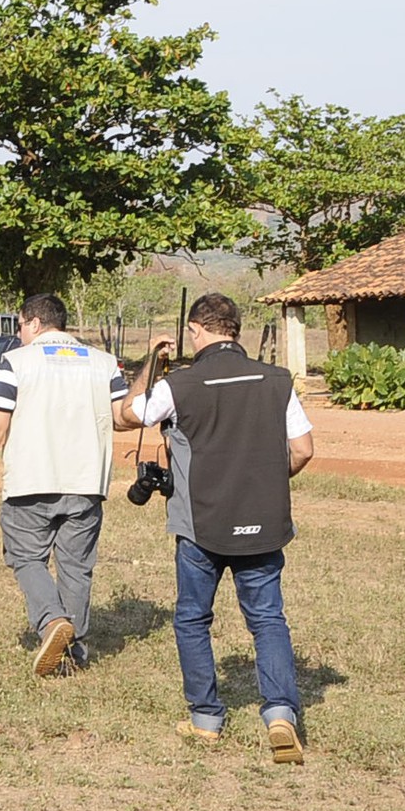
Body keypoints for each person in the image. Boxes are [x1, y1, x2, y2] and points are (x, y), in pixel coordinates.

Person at [113, 293, 315, 764]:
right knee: (267, 619)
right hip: (264, 523)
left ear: (195, 330)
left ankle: (206, 719)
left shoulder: (180, 384)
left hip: (200, 525)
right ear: (236, 330)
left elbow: (127, 416)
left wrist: (152, 362)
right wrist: (265, 482)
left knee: (192, 619)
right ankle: (281, 713)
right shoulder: (278, 380)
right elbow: (303, 450)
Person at [0, 293, 128, 679]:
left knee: (25, 557)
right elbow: (123, 417)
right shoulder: (104, 364)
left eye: (20, 326)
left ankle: (52, 621)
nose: (19, 335)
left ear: (35, 323)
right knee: (76, 567)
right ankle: (74, 652)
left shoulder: (15, 363)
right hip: (87, 482)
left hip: (30, 481)